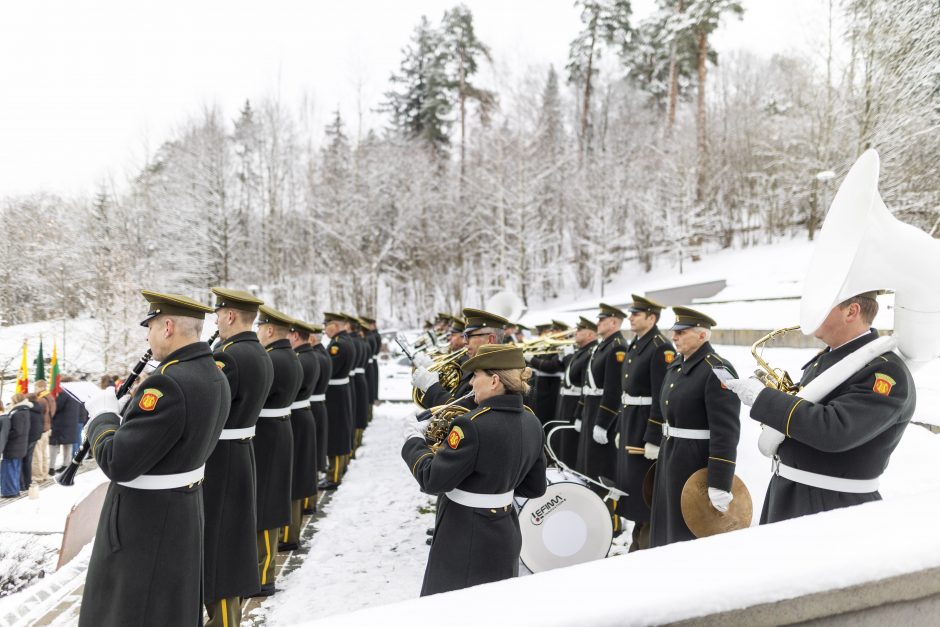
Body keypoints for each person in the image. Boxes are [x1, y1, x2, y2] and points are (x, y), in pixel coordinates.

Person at [79, 290, 230, 626]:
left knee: (132, 612)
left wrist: (101, 418)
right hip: (180, 511)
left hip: (145, 524)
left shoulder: (167, 384)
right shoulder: (214, 373)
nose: (147, 335)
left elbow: (118, 462)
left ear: (167, 327)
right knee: (167, 609)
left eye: (150, 326)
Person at [727, 292, 915, 524]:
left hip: (833, 506)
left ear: (851, 311)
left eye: (822, 305)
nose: (810, 314)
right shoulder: (827, 359)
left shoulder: (884, 372)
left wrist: (764, 399)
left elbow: (835, 429)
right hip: (791, 493)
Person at [402, 344, 547, 596]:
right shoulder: (532, 421)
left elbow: (432, 479)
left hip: (464, 534)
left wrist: (413, 441)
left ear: (493, 381)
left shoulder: (471, 425)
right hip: (505, 532)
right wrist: (497, 482)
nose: (471, 384)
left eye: (476, 376)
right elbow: (535, 487)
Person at [203, 287, 273, 626]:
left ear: (230, 316)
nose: (216, 320)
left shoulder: (228, 355)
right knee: (228, 540)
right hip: (240, 450)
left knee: (220, 547)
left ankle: (225, 621)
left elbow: (211, 405)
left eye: (218, 314)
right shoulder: (258, 351)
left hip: (222, 456)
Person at [649, 306, 741, 547]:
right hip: (671, 453)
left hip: (694, 461)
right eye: (674, 332)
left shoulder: (717, 369)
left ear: (702, 335)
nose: (674, 337)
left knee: (687, 528)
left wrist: (720, 482)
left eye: (682, 332)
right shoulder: (678, 364)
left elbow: (726, 431)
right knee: (667, 522)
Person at [615, 294, 674, 551]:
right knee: (632, 486)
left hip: (644, 425)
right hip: (630, 422)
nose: (630, 317)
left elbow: (661, 395)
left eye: (636, 314)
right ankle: (639, 537)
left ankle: (647, 542)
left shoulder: (660, 346)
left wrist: (652, 436)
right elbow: (625, 391)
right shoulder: (637, 343)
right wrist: (620, 427)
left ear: (651, 318)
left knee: (644, 488)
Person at [252, 305, 303, 596]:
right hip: (278, 430)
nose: (258, 333)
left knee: (267, 505)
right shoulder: (289, 355)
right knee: (268, 501)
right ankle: (262, 571)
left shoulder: (274, 359)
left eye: (261, 328)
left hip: (269, 435)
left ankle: (264, 574)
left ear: (270, 330)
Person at [529, 316, 597, 469]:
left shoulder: (588, 352)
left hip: (573, 401)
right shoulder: (581, 351)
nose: (576, 333)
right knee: (561, 440)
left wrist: (566, 357)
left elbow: (574, 375)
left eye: (580, 330)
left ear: (590, 334)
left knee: (568, 444)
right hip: (564, 399)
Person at [413, 308, 510, 410]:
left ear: (490, 339)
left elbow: (463, 411)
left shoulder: (499, 373)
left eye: (469, 336)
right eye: (464, 336)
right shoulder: (483, 367)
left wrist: (432, 388)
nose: (464, 341)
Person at [280, 318, 320, 551]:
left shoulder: (301, 360)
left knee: (293, 479)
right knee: (298, 475)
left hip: (296, 417)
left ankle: (289, 534)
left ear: (295, 336)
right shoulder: (308, 356)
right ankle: (290, 532)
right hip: (302, 415)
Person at [320, 312, 353, 490]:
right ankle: (335, 472)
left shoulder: (338, 345)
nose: (325, 329)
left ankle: (334, 476)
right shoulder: (344, 341)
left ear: (335, 325)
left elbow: (329, 369)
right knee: (338, 432)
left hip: (336, 393)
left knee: (336, 435)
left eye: (327, 325)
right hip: (339, 391)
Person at [308, 324, 332, 505]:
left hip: (312, 405)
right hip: (319, 405)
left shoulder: (313, 357)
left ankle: (309, 501)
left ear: (312, 339)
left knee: (311, 456)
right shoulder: (322, 353)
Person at [1, 394, 31, 497]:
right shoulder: (24, 411)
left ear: (16, 400)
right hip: (19, 446)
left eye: (12, 400)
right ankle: (14, 490)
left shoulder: (18, 413)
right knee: (15, 469)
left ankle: (10, 492)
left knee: (10, 470)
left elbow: (17, 431)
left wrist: (6, 435)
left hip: (14, 446)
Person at [50, 380, 82, 475]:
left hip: (61, 424)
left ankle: (51, 467)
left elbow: (57, 406)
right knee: (68, 446)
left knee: (54, 446)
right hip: (72, 424)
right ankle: (66, 465)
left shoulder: (64, 394)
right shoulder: (75, 394)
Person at [31, 380, 55, 483]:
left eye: (35, 387)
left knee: (37, 454)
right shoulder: (50, 397)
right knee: (44, 453)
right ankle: (45, 474)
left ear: (41, 387)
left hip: (41, 429)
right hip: (47, 428)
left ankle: (37, 476)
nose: (34, 389)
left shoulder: (41, 400)